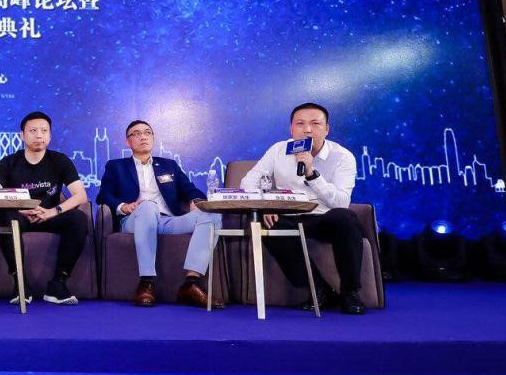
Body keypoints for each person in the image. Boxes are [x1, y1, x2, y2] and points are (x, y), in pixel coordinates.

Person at [240, 103, 366, 315]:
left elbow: (341, 202)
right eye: (300, 124)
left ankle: (350, 293)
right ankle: (320, 290)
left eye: (315, 124)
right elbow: (248, 182)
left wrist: (311, 174)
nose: (307, 130)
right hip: (288, 216)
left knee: (344, 217)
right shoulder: (278, 150)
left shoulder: (342, 156)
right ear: (291, 129)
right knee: (262, 223)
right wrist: (266, 205)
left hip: (324, 217)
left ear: (326, 129)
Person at [97, 121, 222, 307]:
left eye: (147, 132)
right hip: (134, 219)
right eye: (136, 133)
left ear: (153, 138)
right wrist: (123, 207)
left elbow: (190, 189)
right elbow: (104, 195)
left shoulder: (169, 165)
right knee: (148, 207)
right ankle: (146, 282)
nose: (143, 136)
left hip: (167, 221)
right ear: (127, 142)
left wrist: (195, 200)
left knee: (212, 216)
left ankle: (191, 283)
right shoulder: (116, 166)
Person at [0, 111, 89, 305]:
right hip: (19, 216)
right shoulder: (8, 162)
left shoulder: (60, 161)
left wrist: (53, 211)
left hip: (49, 215)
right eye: (33, 131)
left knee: (78, 219)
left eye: (44, 131)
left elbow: (80, 195)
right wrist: (20, 210)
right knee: (5, 216)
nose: (39, 135)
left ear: (50, 136)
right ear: (22, 135)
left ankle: (58, 284)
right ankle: (20, 284)